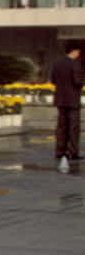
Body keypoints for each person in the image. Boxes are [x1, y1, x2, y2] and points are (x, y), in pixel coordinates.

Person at [51, 44, 83, 172]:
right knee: (73, 127)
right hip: (72, 99)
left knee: (61, 126)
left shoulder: (57, 63)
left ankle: (60, 151)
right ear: (74, 51)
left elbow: (53, 80)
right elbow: (78, 81)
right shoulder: (75, 64)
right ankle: (72, 152)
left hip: (60, 99)